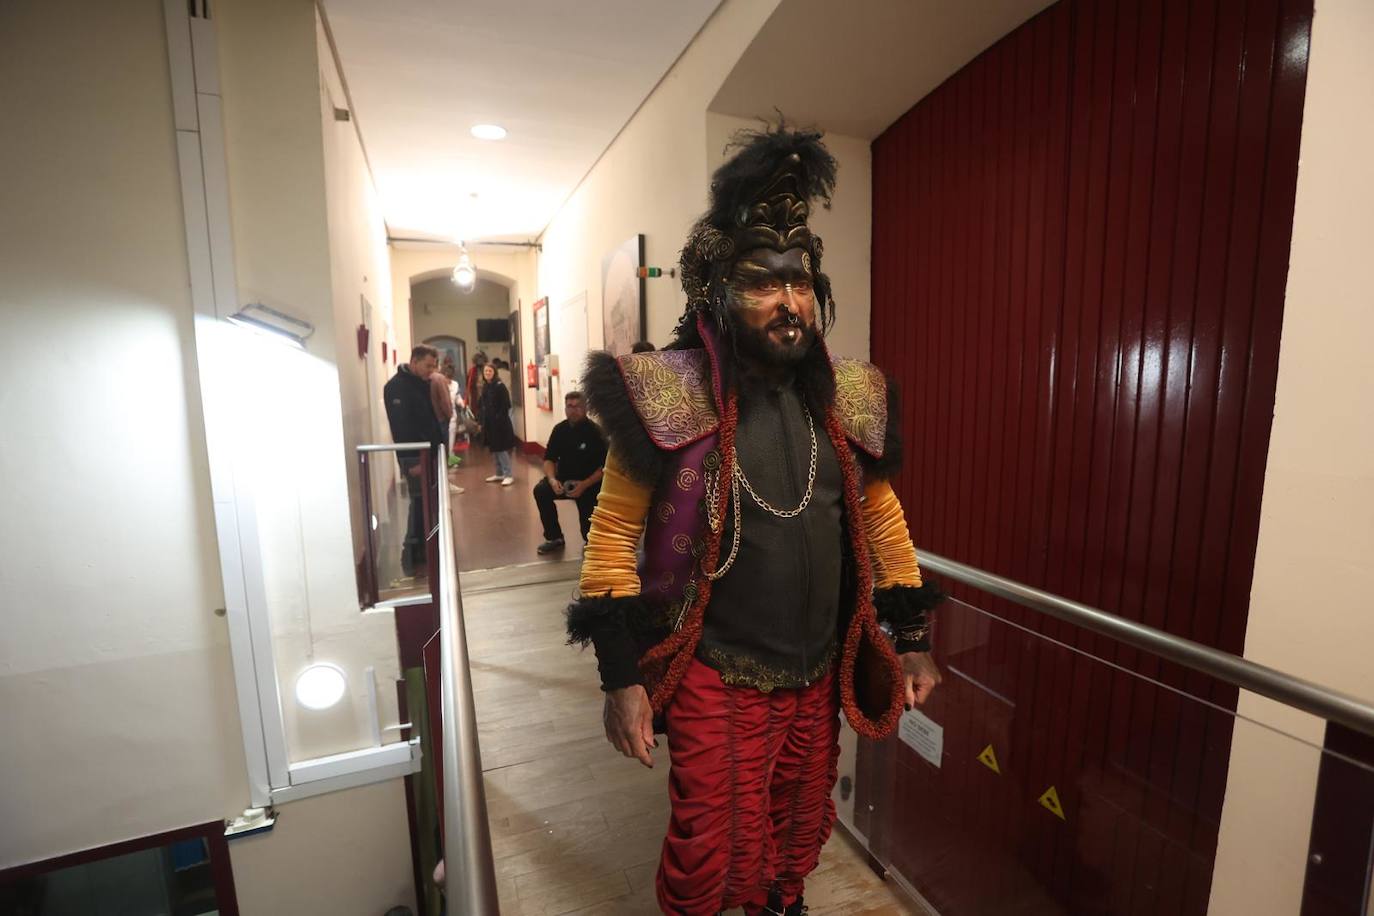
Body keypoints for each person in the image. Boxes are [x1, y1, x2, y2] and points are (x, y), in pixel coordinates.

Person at [567, 127, 945, 915]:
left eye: (800, 280)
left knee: (797, 830)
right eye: (760, 282)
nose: (788, 301)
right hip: (714, 668)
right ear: (715, 292)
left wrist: (910, 641)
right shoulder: (665, 392)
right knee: (711, 849)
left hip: (816, 670)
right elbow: (609, 539)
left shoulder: (850, 394)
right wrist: (619, 680)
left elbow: (881, 519)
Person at [383, 344, 446, 575]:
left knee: (426, 502)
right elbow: (402, 428)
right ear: (415, 361)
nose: (432, 370)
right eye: (428, 365)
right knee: (419, 502)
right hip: (415, 458)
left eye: (434, 366)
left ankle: (423, 547)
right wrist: (413, 461)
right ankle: (412, 553)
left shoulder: (420, 383)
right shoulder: (396, 387)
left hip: (427, 454)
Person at [533, 391, 607, 554]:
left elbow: (605, 468)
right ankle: (554, 537)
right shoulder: (559, 430)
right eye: (569, 406)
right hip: (564, 481)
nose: (573, 410)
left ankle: (591, 538)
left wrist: (584, 485)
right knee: (541, 491)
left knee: (590, 537)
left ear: (585, 408)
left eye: (577, 406)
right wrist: (552, 480)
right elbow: (549, 459)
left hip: (589, 485)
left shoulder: (596, 433)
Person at [476, 362, 516, 485]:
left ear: (494, 372)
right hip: (489, 424)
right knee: (494, 449)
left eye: (490, 371)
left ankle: (508, 474)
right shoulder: (486, 387)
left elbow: (506, 405)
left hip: (500, 424)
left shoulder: (500, 386)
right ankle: (499, 473)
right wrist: (481, 422)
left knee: (501, 448)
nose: (487, 373)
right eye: (485, 371)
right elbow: (483, 406)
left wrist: (498, 419)